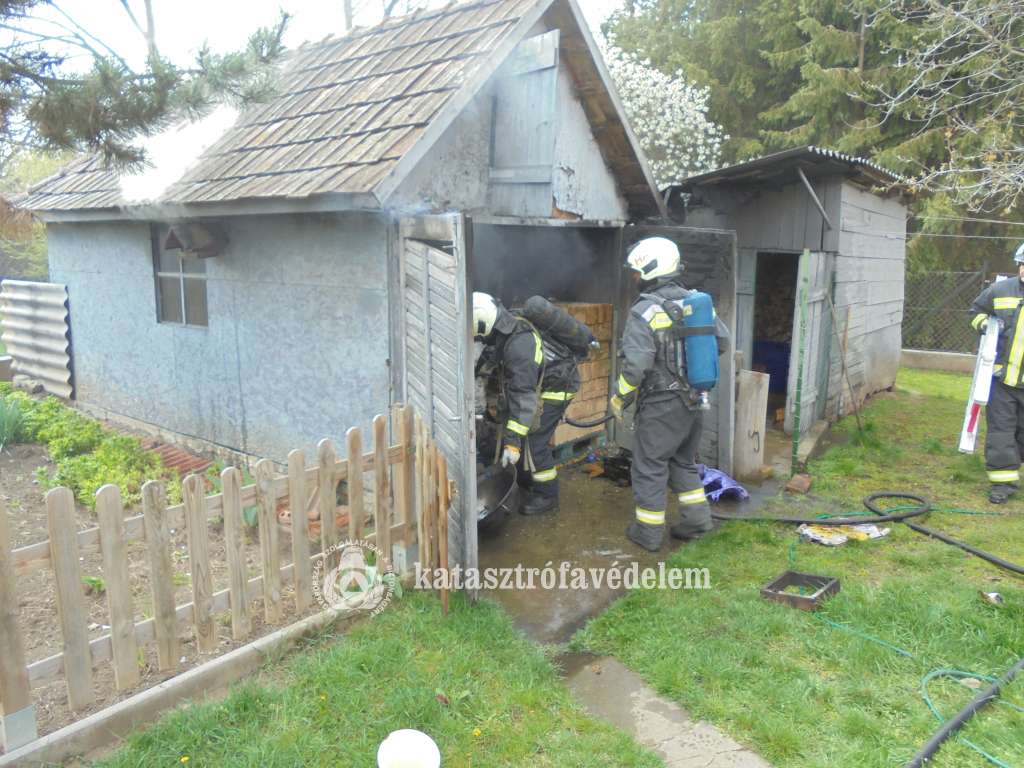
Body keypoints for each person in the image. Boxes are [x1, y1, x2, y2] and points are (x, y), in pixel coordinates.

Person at [611, 237, 730, 551]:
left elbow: (636, 365)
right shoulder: (696, 302)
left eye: (637, 272)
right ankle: (697, 523)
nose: (634, 278)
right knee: (683, 461)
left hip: (661, 404)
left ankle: (648, 533)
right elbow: (722, 342)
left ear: (651, 270)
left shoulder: (644, 311)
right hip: (694, 399)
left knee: (649, 466)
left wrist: (620, 397)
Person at [473, 292, 579, 515]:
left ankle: (547, 495)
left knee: (534, 441)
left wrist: (512, 444)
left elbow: (524, 397)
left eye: (481, 335)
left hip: (556, 387)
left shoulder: (520, 345)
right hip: (536, 386)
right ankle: (525, 478)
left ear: (484, 323)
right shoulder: (504, 328)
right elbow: (490, 359)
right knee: (521, 431)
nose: (482, 340)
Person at [969, 243, 1024, 503]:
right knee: (1001, 432)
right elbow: (976, 311)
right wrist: (985, 326)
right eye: (1023, 265)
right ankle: (1003, 485)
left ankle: (1013, 464)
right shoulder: (1000, 290)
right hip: (1002, 380)